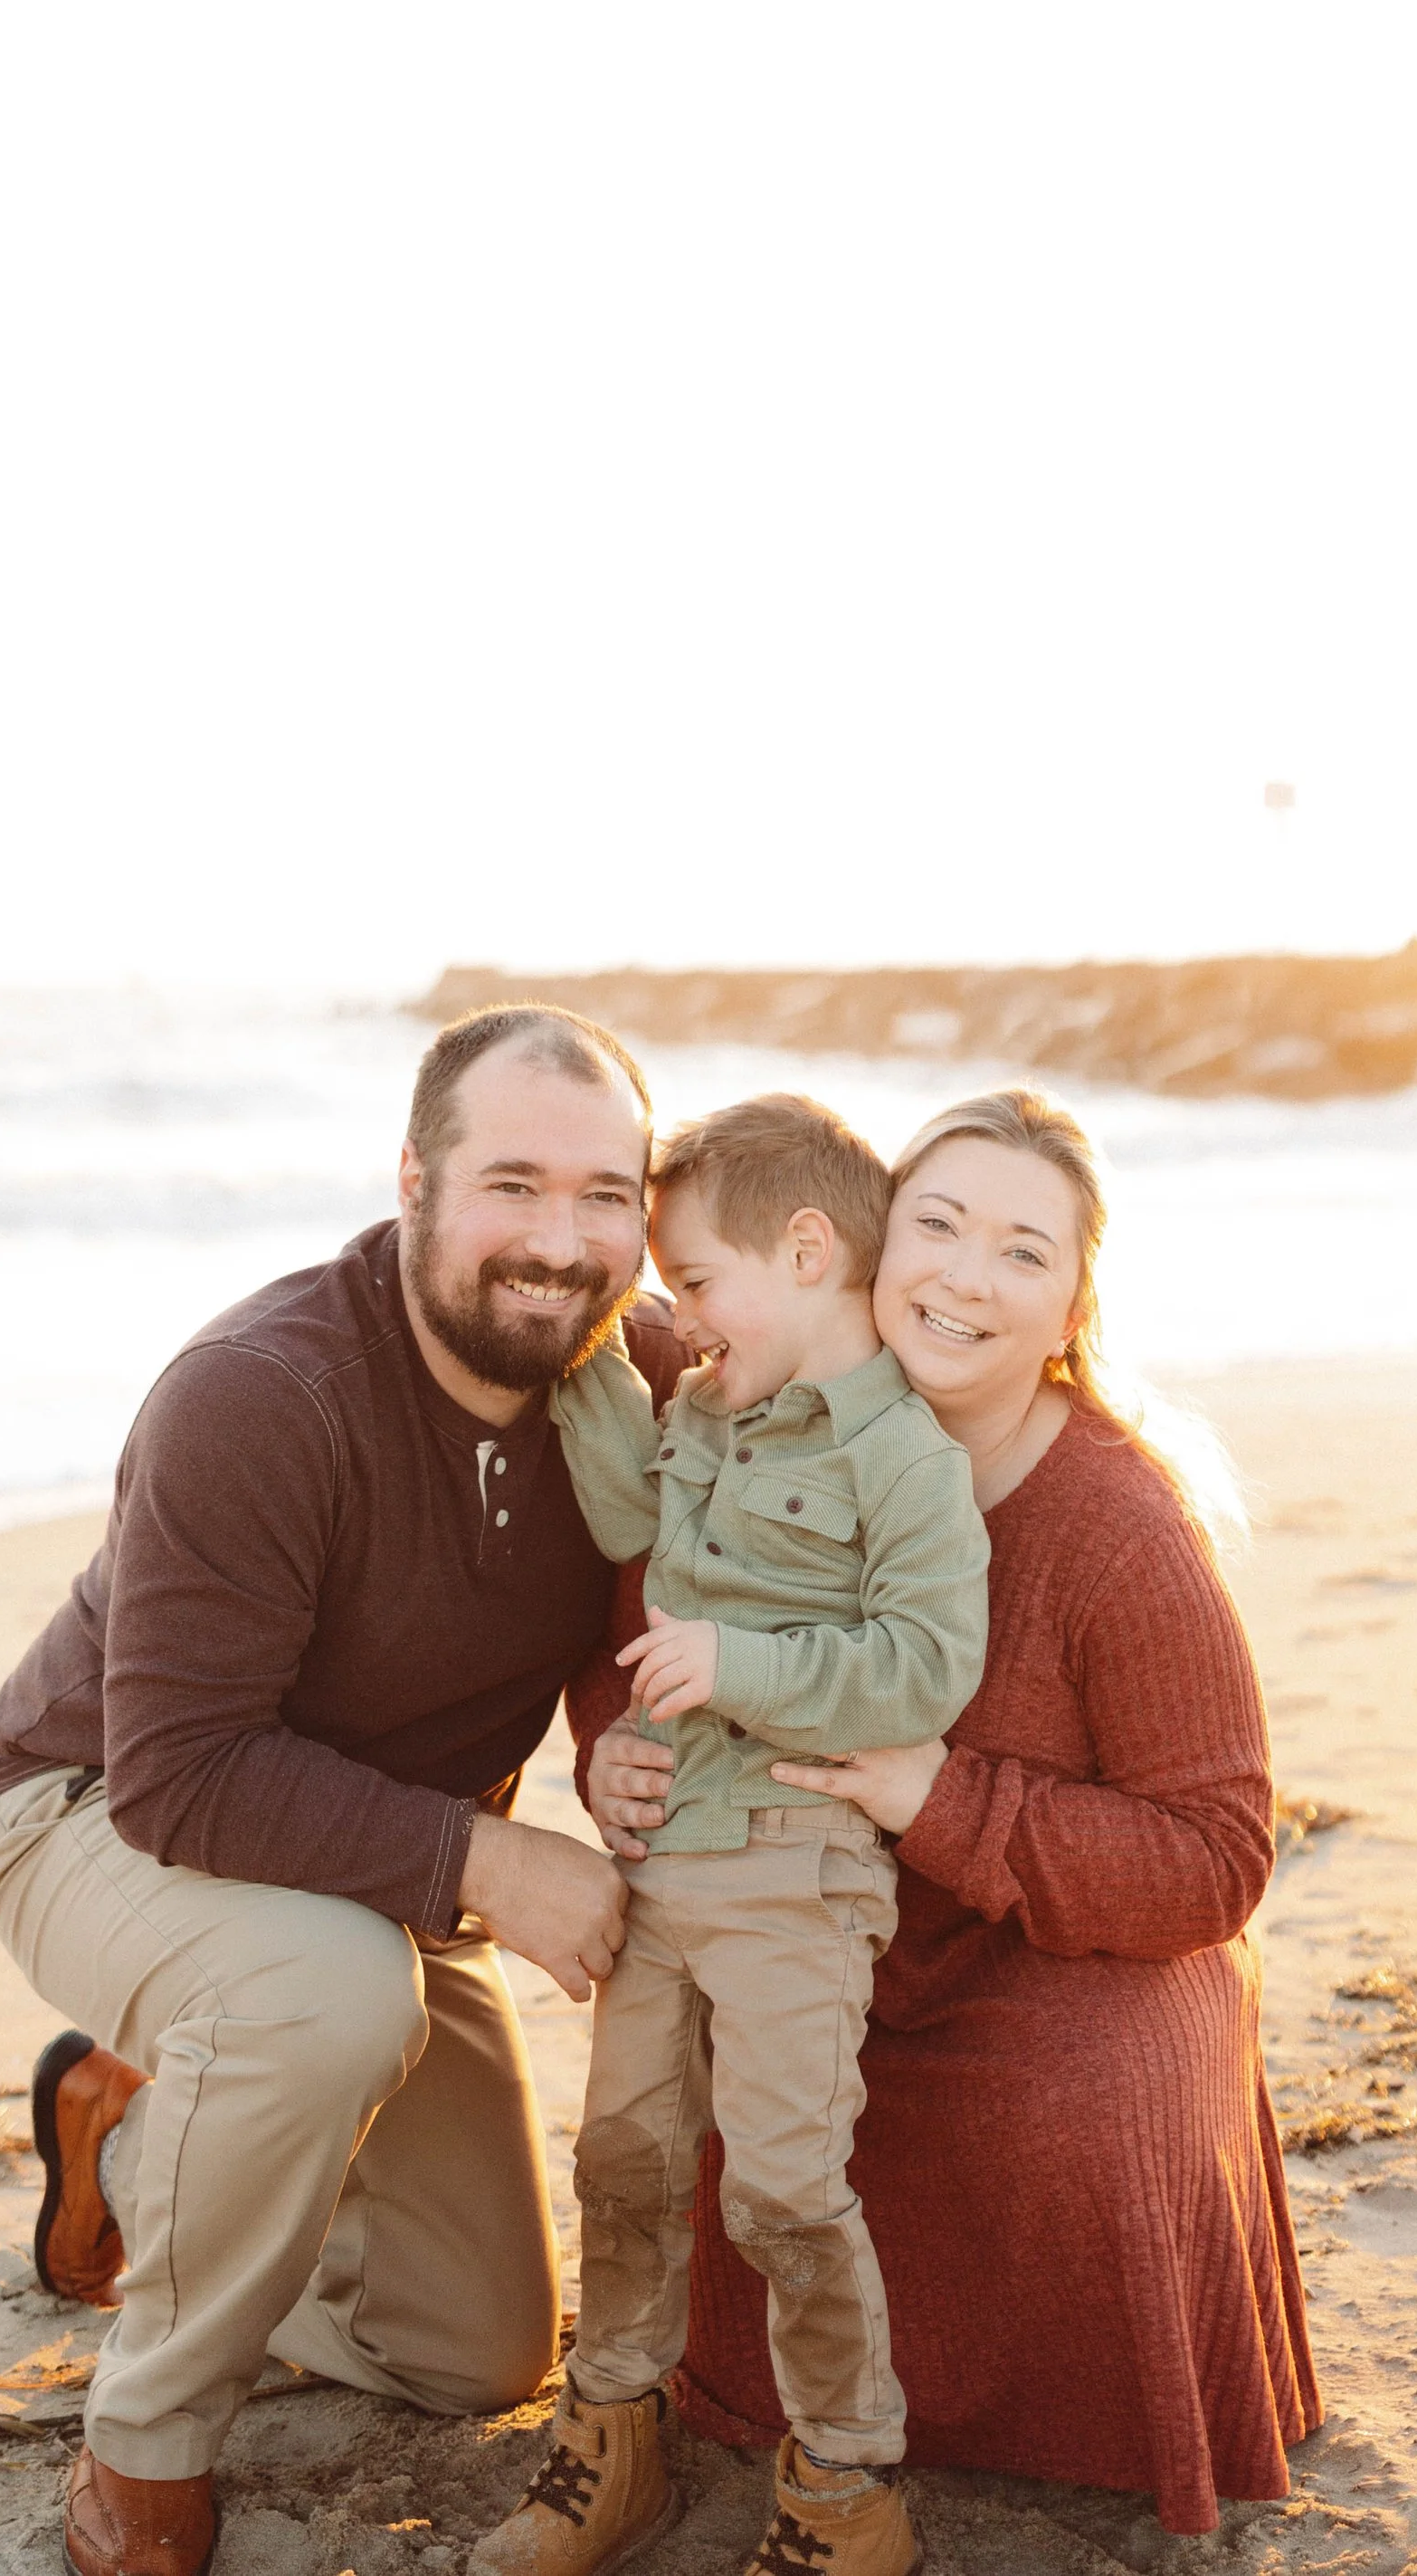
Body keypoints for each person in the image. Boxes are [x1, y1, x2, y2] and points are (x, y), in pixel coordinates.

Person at [0, 1004, 686, 2576]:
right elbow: (179, 1770)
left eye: (605, 1195)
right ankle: (143, 2448)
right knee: (335, 1993)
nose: (559, 1243)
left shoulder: (636, 1382)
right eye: (512, 1185)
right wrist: (495, 1859)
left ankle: (150, 2130)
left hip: (382, 1871)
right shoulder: (259, 1393)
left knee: (479, 2355)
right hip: (95, 1811)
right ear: (414, 1178)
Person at [580, 1088, 1320, 2541]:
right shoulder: (746, 1391)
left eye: (1022, 1252)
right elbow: (640, 1578)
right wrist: (615, 1753)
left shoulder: (1121, 1527)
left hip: (1061, 1941)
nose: (966, 1277)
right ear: (855, 1242)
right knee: (706, 2098)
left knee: (1082, 2113)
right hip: (811, 1903)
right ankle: (671, 2408)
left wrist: (943, 1793)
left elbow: (1221, 1855)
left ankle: (989, 2451)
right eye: (938, 1223)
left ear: (1069, 1307)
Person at [474, 1096, 988, 2576]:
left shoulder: (903, 1453)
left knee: (780, 2187)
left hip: (797, 1871)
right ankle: (615, 2434)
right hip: (663, 1861)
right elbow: (632, 1502)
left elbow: (922, 1669)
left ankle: (843, 2481)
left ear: (809, 1249)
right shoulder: (702, 1407)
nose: (679, 1317)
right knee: (625, 2159)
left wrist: (743, 1667)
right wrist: (578, 1356)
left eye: (694, 1281)